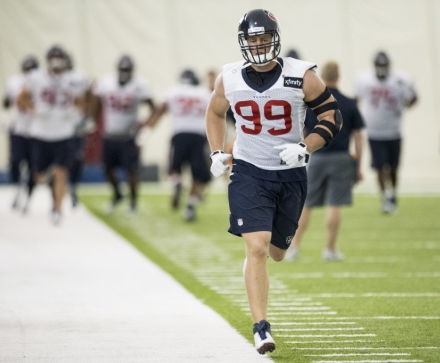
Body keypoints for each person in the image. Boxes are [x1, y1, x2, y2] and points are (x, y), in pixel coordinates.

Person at [206, 9, 342, 355]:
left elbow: (331, 115)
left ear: (274, 38)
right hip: (249, 170)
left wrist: (305, 146)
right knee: (257, 246)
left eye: (264, 37)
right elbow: (214, 111)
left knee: (278, 253)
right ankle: (260, 327)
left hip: (291, 174)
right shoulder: (230, 77)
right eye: (252, 39)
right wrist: (216, 151)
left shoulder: (302, 75)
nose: (259, 44)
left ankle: (256, 264)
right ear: (244, 42)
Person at [285, 60, 364, 262]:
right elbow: (358, 137)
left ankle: (293, 247)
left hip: (317, 156)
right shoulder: (349, 102)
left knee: (307, 204)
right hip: (340, 157)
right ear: (338, 76)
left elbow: (302, 130)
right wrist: (358, 164)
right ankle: (329, 249)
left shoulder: (312, 102)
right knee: (335, 203)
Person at [17, 45, 89, 224]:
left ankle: (57, 209)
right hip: (40, 133)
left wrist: (75, 113)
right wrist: (34, 109)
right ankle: (43, 176)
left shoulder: (74, 79)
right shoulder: (35, 78)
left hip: (63, 133)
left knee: (61, 171)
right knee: (39, 174)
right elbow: (21, 99)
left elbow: (81, 102)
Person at [354, 51, 417, 213]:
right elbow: (356, 99)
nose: (382, 69)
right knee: (380, 167)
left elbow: (414, 97)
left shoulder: (400, 80)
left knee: (394, 167)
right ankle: (385, 197)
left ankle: (393, 193)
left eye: (384, 66)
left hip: (394, 131)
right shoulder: (365, 80)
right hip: (374, 131)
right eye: (379, 66)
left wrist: (406, 104)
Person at [91, 55, 154, 214]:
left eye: (127, 70)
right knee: (106, 168)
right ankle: (117, 194)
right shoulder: (106, 83)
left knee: (131, 171)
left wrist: (144, 126)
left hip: (129, 136)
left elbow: (154, 109)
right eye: (122, 69)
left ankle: (133, 202)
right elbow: (96, 103)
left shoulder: (140, 85)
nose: (124, 72)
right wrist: (92, 124)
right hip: (110, 134)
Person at [145, 69, 212, 221]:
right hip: (198, 136)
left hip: (179, 134)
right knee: (199, 175)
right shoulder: (204, 93)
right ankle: (190, 206)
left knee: (174, 168)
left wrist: (145, 132)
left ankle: (177, 182)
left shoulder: (173, 92)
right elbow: (216, 112)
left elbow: (159, 111)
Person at [3, 55, 39, 213]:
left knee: (34, 167)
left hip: (36, 131)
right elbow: (5, 102)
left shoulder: (43, 83)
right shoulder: (13, 82)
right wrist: (4, 117)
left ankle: (28, 197)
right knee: (15, 161)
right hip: (18, 129)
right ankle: (17, 189)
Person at [64, 52, 94, 208]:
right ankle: (58, 187)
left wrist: (88, 116)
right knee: (59, 159)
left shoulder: (79, 78)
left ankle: (73, 185)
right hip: (57, 127)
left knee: (77, 157)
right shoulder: (49, 80)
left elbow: (87, 98)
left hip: (75, 124)